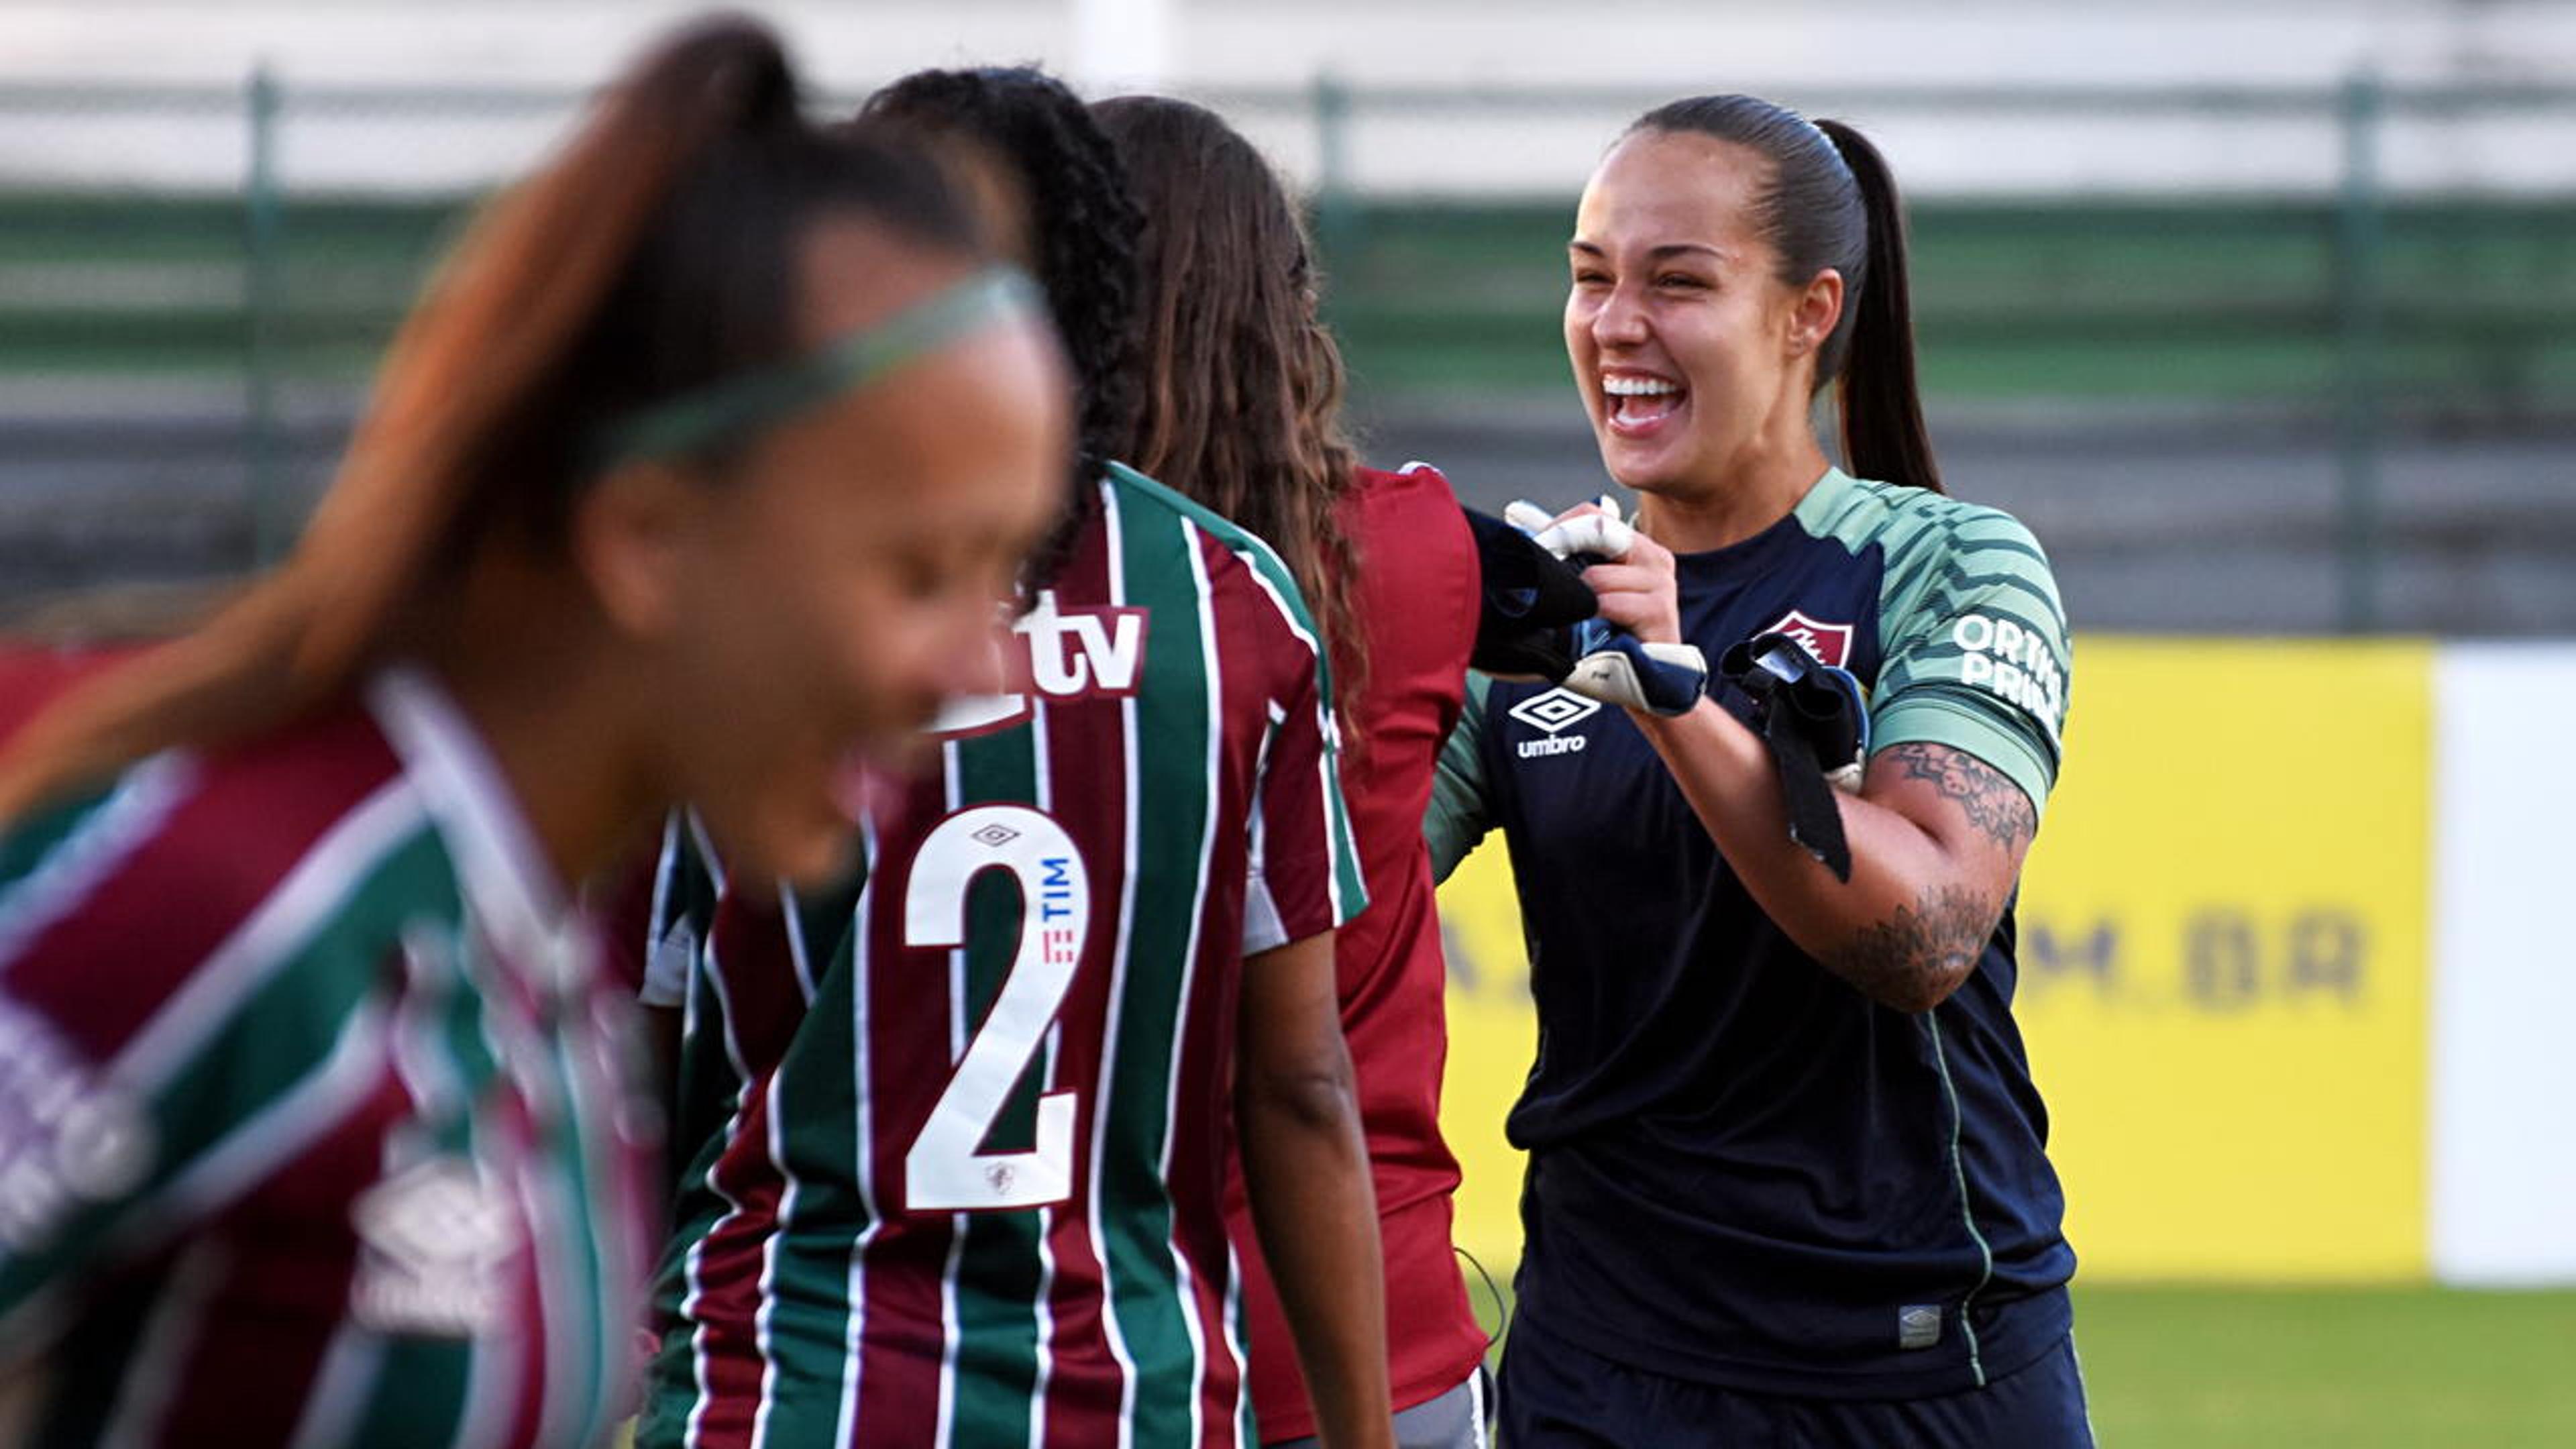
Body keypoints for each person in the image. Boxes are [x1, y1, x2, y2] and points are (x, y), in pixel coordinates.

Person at [0, 18, 1069, 1446]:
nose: (979, 667)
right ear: (647, 535)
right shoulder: (241, 909)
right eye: (920, 571)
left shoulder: (539, 955)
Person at [637, 67, 1395, 1449]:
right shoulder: (1229, 603)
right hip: (1127, 1397)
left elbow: (623, 1076)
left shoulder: (724, 588)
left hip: (792, 1384)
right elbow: (1299, 1087)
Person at [1428, 95, 2091, 1445]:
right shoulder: (1527, 613)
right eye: (1590, 278)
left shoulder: (1950, 563)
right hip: (1598, 1373)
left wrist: (1667, 695)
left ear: (1807, 312)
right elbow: (1322, 905)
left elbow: (1923, 933)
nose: (1617, 323)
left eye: (1678, 283)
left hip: (1918, 1369)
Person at [1089, 95, 1492, 1449]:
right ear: (1286, 309)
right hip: (1384, 1331)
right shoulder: (1423, 551)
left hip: (1097, 1331)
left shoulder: (997, 605)